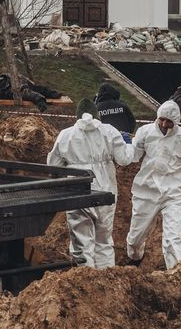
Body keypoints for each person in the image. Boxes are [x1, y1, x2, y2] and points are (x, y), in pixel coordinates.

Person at [125, 101, 181, 270]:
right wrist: (124, 146)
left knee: (172, 238)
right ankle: (134, 259)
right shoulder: (145, 132)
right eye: (161, 120)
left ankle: (178, 272)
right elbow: (133, 156)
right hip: (146, 190)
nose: (164, 124)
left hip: (174, 193)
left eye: (169, 122)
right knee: (135, 238)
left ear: (176, 122)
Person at [47, 111, 134, 269]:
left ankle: (86, 281)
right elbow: (124, 159)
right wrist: (128, 144)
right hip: (105, 191)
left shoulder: (66, 135)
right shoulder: (109, 131)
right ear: (96, 116)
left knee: (82, 241)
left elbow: (53, 165)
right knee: (104, 241)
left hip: (78, 189)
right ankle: (106, 279)